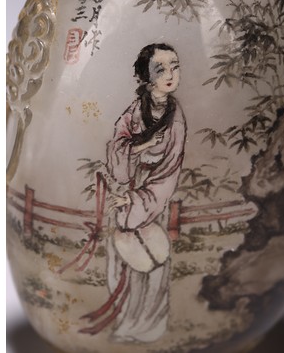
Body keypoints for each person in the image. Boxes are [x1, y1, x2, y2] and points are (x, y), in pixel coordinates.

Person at [83, 43, 186, 343]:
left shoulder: (176, 118)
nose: (170, 74)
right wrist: (142, 147)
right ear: (147, 78)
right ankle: (124, 324)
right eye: (161, 69)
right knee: (123, 258)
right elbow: (116, 147)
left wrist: (137, 199)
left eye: (175, 66)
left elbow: (170, 169)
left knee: (152, 259)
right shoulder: (135, 110)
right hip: (126, 189)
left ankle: (148, 327)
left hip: (152, 199)